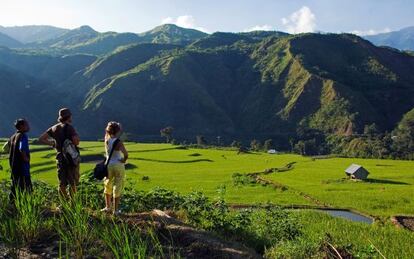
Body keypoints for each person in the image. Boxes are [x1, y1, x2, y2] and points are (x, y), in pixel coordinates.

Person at [39, 108, 80, 198]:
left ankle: (63, 204)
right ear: (69, 116)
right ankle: (72, 204)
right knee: (72, 182)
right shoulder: (70, 127)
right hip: (70, 158)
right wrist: (77, 138)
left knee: (62, 183)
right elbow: (76, 142)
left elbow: (41, 138)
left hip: (60, 157)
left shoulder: (54, 128)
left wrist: (53, 144)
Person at [101, 121, 128, 215]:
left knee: (107, 184)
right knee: (117, 186)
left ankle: (107, 207)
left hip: (108, 165)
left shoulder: (107, 140)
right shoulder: (118, 142)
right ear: (118, 131)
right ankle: (115, 210)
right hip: (118, 165)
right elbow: (126, 154)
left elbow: (108, 132)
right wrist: (124, 160)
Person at [9, 119, 32, 199]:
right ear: (22, 126)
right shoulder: (23, 136)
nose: (28, 126)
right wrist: (26, 159)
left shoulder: (13, 137)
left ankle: (11, 206)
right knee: (27, 189)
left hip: (14, 167)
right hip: (22, 167)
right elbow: (21, 148)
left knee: (14, 188)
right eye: (27, 124)